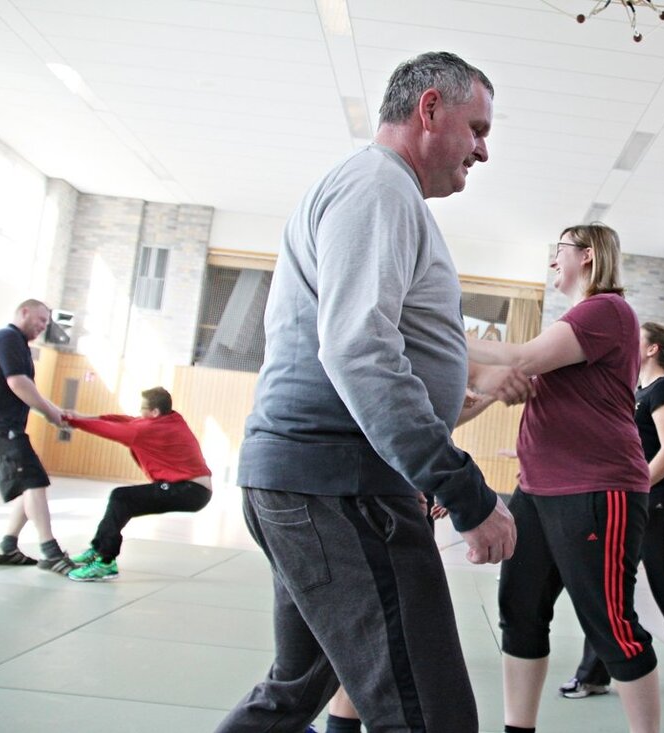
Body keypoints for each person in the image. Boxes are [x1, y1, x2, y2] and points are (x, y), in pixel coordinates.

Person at [216, 52, 532, 733]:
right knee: (430, 715)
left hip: (328, 481)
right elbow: (358, 348)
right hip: (337, 487)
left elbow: (388, 340)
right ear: (429, 110)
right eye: (476, 127)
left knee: (298, 687)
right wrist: (463, 488)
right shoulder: (378, 188)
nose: (482, 149)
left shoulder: (380, 193)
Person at [470, 224, 660, 733]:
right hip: (535, 491)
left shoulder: (606, 311)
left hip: (597, 489)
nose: (553, 263)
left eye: (559, 253)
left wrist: (440, 334)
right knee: (521, 611)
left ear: (589, 255)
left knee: (611, 627)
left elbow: (521, 359)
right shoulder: (567, 331)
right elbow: (501, 384)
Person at [558, 322, 664, 707]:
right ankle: (595, 673)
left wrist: (636, 489)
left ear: (652, 349)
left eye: (635, 339)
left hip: (662, 501)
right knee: (610, 588)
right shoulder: (635, 393)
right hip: (632, 504)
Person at [0, 299, 74, 576]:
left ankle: (6, 547)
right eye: (40, 320)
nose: (42, 327)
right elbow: (18, 383)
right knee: (33, 481)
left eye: (46, 324)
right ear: (24, 312)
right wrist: (51, 412)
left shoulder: (16, 344)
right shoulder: (8, 338)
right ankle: (49, 551)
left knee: (28, 484)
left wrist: (53, 412)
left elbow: (22, 387)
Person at [61, 387, 212, 582]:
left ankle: (105, 563)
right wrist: (83, 417)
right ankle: (98, 550)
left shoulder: (149, 429)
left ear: (155, 412)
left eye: (143, 408)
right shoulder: (170, 418)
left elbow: (112, 430)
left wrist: (73, 421)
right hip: (191, 489)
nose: (139, 412)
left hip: (190, 492)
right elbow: (124, 420)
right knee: (124, 504)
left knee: (121, 497)